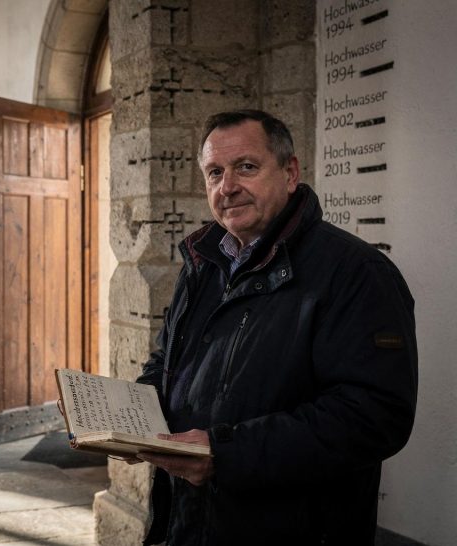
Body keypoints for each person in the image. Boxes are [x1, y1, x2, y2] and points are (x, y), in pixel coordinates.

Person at [128, 110, 418, 545]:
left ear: (290, 172)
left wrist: (224, 454)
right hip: (188, 522)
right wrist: (126, 417)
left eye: (246, 167)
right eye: (214, 172)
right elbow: (167, 361)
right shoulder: (203, 266)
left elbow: (374, 416)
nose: (227, 187)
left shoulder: (357, 273)